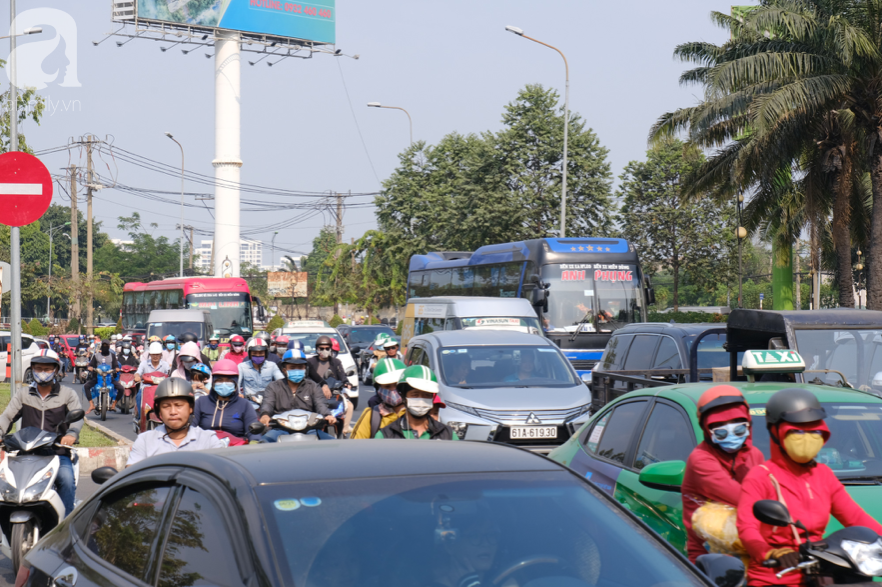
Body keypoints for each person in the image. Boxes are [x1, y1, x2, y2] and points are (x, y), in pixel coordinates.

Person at [737, 388, 882, 586]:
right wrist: (770, 552)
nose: (807, 437)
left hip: (820, 573)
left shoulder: (824, 475)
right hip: (776, 575)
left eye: (814, 430)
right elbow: (747, 528)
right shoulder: (761, 477)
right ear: (775, 432)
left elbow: (856, 518)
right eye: (797, 431)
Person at [681, 385, 764, 563]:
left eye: (739, 429)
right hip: (710, 557)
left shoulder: (755, 455)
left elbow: (770, 490)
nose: (731, 437)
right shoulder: (700, 460)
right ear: (707, 430)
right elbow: (744, 498)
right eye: (720, 432)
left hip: (754, 548)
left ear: (749, 424)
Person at [0, 350, 82, 515]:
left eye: (47, 369)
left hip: (57, 453)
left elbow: (77, 417)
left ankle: (64, 526)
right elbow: (7, 416)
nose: (42, 373)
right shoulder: (23, 394)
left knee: (66, 480)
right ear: (32, 370)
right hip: (27, 453)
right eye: (38, 369)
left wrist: (71, 434)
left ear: (56, 370)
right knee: (6, 482)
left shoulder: (67, 394)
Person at [127, 378, 225, 466]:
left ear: (191, 408)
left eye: (179, 405)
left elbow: (221, 474)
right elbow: (131, 476)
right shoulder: (144, 441)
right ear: (159, 411)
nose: (173, 412)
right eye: (166, 406)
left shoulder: (208, 441)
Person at [258, 349, 336, 442]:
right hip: (280, 429)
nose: (297, 370)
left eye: (300, 367)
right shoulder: (273, 387)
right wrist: (265, 415)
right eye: (292, 367)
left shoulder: (313, 386)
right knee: (263, 442)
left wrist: (327, 415)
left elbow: (320, 405)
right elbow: (267, 404)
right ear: (284, 370)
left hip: (310, 429)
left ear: (305, 369)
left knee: (333, 444)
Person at [375, 366, 459, 440]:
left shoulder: (447, 435)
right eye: (415, 394)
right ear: (403, 397)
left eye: (426, 395)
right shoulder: (386, 436)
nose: (421, 400)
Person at [193, 359, 261, 443]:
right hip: (205, 448)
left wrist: (254, 443)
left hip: (235, 449)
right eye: (220, 380)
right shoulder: (201, 402)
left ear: (235, 382)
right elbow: (191, 427)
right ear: (213, 381)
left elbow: (253, 430)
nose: (224, 383)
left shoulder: (244, 405)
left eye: (229, 380)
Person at [351, 358, 406, 439]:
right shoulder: (371, 416)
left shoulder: (416, 415)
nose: (393, 390)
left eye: (397, 385)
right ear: (378, 389)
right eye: (387, 386)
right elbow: (355, 447)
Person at [85, 338, 123, 413]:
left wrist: (116, 369)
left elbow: (116, 365)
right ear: (101, 346)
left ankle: (114, 404)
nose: (105, 347)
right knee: (86, 386)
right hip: (98, 378)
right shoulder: (96, 356)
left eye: (106, 345)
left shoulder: (112, 356)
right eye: (104, 345)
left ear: (109, 347)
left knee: (121, 389)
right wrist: (90, 368)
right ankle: (91, 404)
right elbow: (90, 365)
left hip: (109, 378)